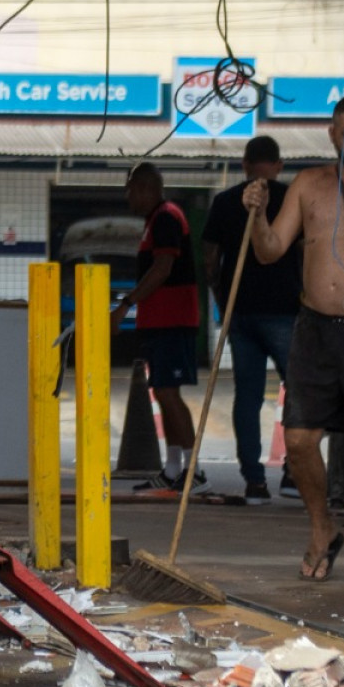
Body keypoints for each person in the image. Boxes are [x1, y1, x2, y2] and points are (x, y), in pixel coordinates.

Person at [242, 93, 344, 590]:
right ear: (331, 132)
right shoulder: (308, 184)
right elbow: (269, 251)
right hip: (314, 327)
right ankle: (322, 527)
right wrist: (258, 215)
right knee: (301, 441)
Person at [201, 136, 302, 503]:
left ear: (244, 164)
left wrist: (221, 302)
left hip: (241, 313)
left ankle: (254, 482)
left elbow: (210, 259)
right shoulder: (293, 199)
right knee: (299, 393)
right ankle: (293, 474)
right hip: (286, 311)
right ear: (277, 164)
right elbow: (307, 253)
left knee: (247, 397)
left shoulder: (226, 201)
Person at [113, 162, 202, 492]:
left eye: (131, 190)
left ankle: (193, 472)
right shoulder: (155, 220)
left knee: (168, 393)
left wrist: (125, 304)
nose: (128, 198)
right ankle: (173, 468)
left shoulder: (166, 217)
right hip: (160, 321)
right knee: (163, 393)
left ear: (146, 188)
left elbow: (163, 269)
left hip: (173, 320)